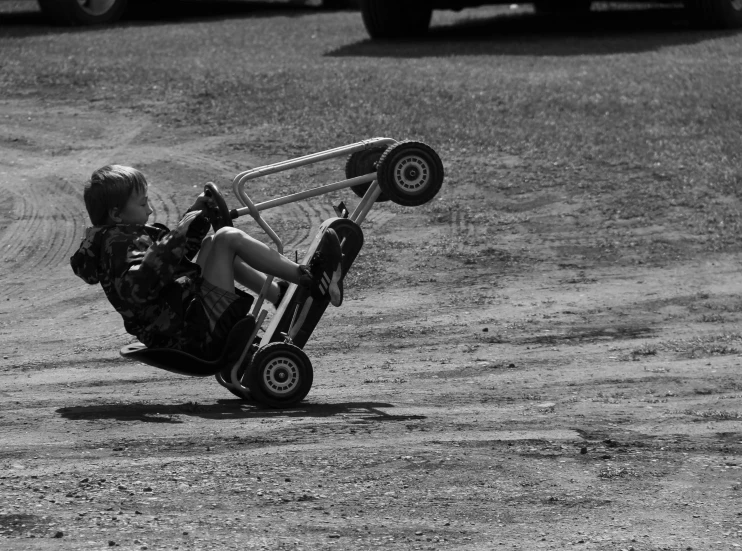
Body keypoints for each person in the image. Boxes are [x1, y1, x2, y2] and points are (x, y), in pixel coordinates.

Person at [70, 164, 343, 361]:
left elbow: (172, 260)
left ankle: (279, 294)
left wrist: (195, 214)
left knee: (212, 245)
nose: (150, 209)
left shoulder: (116, 239)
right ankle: (309, 278)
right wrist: (179, 234)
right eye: (143, 204)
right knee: (226, 238)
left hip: (185, 321)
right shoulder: (118, 246)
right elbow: (139, 284)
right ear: (117, 214)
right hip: (192, 332)